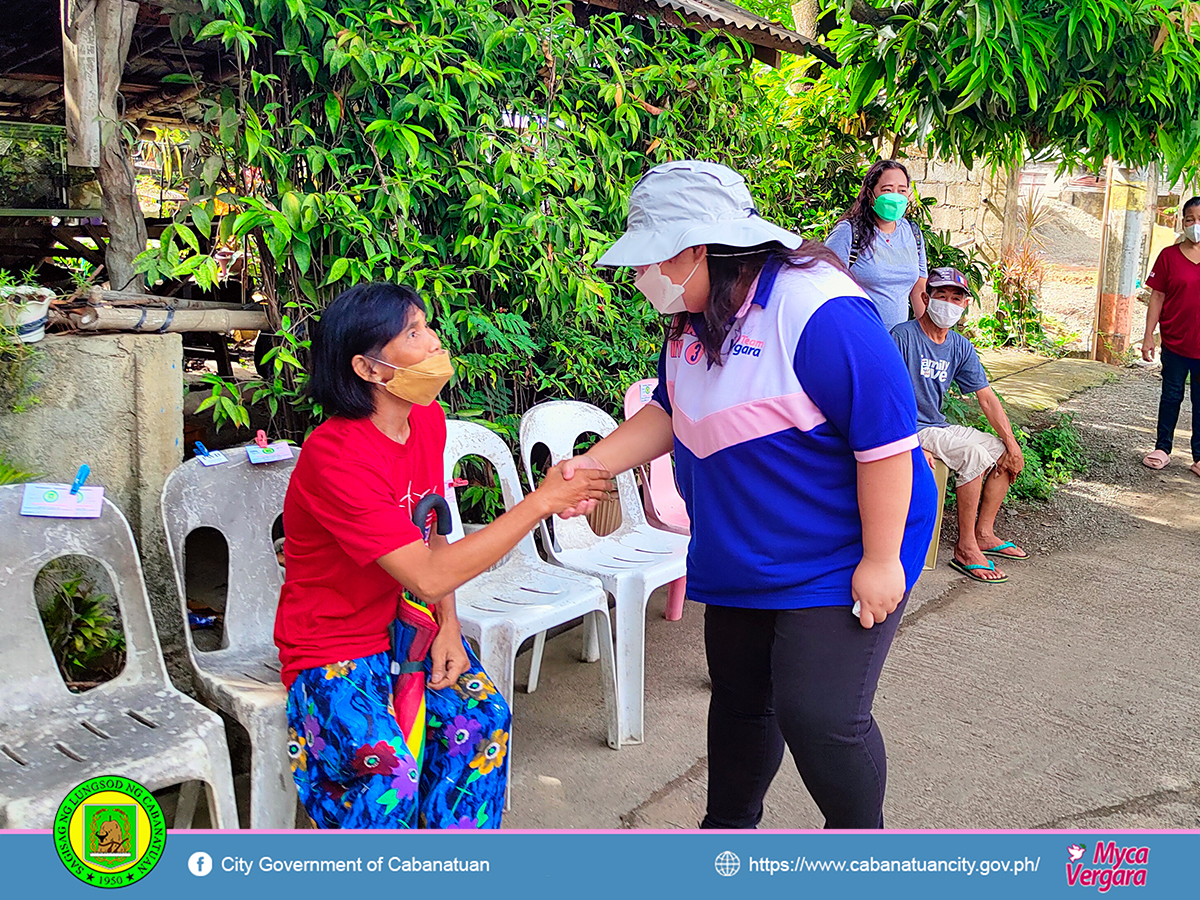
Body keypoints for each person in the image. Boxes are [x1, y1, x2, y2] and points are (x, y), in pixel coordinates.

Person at [562, 160, 937, 829]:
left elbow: (885, 439)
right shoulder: (694, 314)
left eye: (652, 259)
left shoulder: (817, 307)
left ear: (700, 247)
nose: (642, 276)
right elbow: (669, 407)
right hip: (743, 540)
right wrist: (591, 465)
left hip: (844, 541)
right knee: (740, 699)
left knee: (821, 717)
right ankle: (726, 839)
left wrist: (881, 562)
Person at [273, 283, 612, 829]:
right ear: (370, 369)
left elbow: (433, 534)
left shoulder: (424, 420)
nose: (434, 341)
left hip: (408, 629)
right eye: (413, 332)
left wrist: (449, 627)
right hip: (330, 645)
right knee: (389, 776)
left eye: (427, 326)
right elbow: (428, 574)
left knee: (484, 719)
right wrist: (541, 502)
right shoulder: (335, 455)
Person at [891, 267, 1027, 584]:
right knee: (972, 455)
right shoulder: (903, 336)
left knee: (1000, 451)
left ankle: (983, 533)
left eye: (956, 298)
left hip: (937, 425)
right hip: (913, 427)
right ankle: (964, 548)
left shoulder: (959, 346)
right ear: (925, 298)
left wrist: (1012, 442)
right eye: (941, 296)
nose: (948, 303)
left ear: (964, 305)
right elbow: (887, 395)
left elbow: (987, 399)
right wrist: (907, 442)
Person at [825, 160, 928, 330]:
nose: (895, 196)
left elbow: (918, 290)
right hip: (858, 336)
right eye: (887, 189)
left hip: (898, 343)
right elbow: (825, 285)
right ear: (870, 193)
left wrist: (926, 338)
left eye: (902, 190)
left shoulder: (913, 233)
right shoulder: (848, 232)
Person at [1141, 196, 1200, 478]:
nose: (1195, 225)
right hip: (1175, 342)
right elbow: (1157, 297)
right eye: (1190, 220)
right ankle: (1162, 448)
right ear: (1183, 222)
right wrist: (1148, 336)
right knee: (1171, 395)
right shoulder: (1169, 256)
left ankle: (1199, 456)